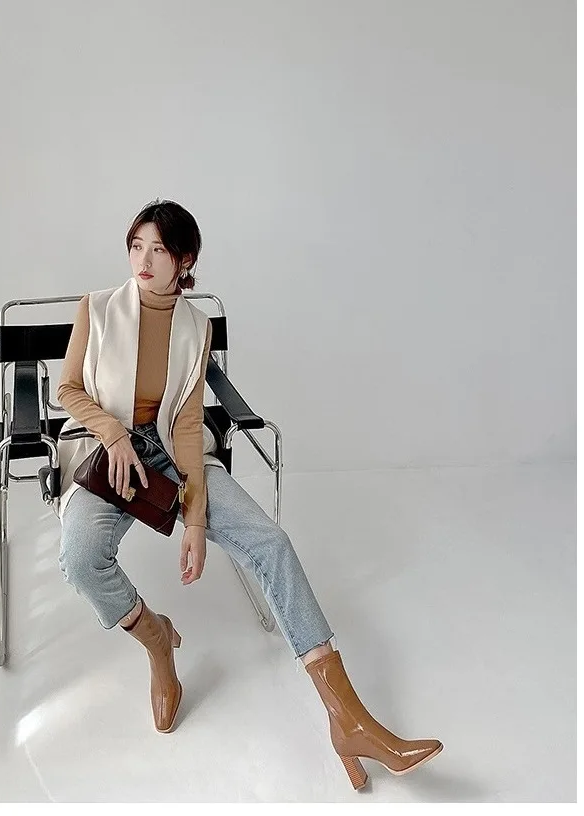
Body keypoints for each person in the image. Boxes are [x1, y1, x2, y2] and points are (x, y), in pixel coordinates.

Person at [55, 199, 443, 790]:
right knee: (81, 558)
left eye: (158, 249)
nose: (144, 260)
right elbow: (68, 389)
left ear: (185, 260)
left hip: (169, 452)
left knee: (272, 543)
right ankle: (158, 642)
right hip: (105, 458)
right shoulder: (98, 308)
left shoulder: (196, 326)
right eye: (136, 246)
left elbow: (188, 423)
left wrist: (194, 520)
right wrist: (112, 434)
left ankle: (349, 719)